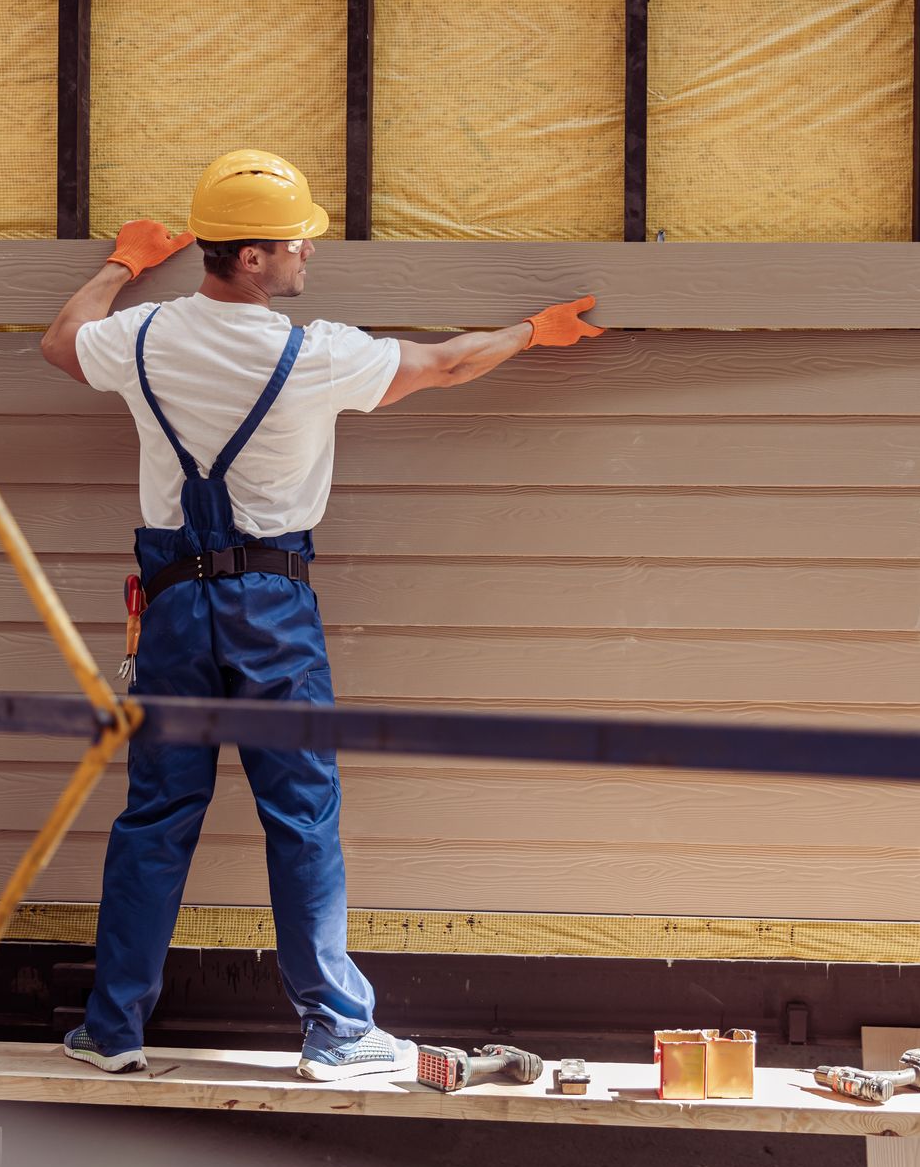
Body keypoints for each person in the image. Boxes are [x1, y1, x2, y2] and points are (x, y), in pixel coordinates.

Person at [39, 149, 604, 1081]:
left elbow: (62, 343)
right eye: (299, 240)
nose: (312, 254)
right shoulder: (316, 354)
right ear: (252, 258)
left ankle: (112, 1030)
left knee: (156, 816)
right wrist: (532, 333)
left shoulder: (140, 338)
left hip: (174, 604)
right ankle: (337, 1033)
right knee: (300, 815)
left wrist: (122, 264)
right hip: (272, 609)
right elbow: (450, 364)